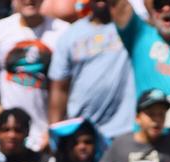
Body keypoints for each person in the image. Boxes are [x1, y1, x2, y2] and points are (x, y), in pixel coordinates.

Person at [110, 0, 170, 134]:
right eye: (159, 4)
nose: (167, 8)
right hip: (149, 147)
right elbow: (118, 5)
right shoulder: (140, 34)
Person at [47, 0, 136, 141]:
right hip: (82, 132)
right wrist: (54, 130)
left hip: (124, 130)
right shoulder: (69, 35)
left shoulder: (131, 29)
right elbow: (59, 88)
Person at [0, 0, 68, 150]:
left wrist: (53, 130)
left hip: (44, 135)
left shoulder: (63, 32)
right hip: (5, 136)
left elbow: (66, 88)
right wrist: (3, 120)